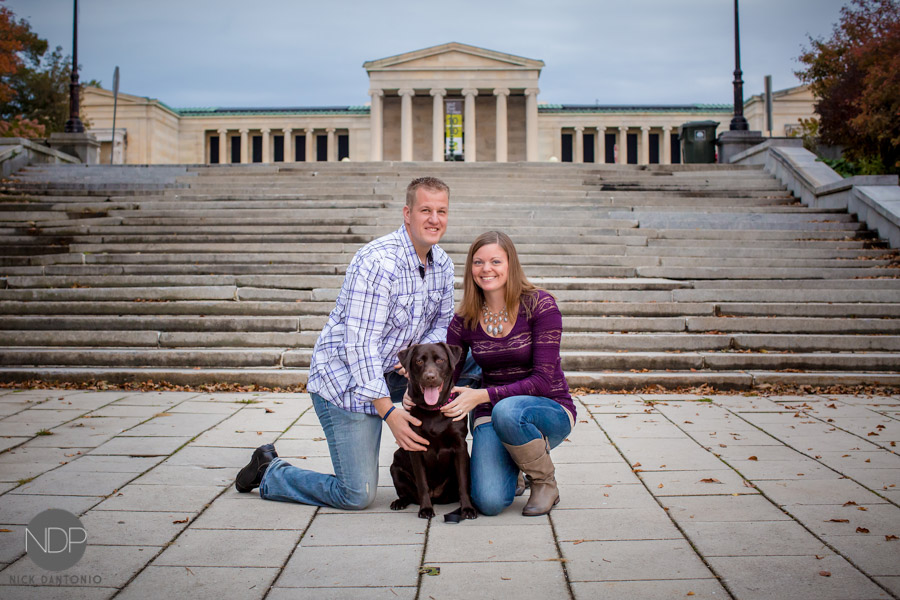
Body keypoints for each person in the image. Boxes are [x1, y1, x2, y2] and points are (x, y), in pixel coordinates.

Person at [234, 176, 455, 509]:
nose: (434, 219)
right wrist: (390, 414)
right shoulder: (378, 262)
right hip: (346, 383)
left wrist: (415, 361)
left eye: (441, 211)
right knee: (356, 494)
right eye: (426, 210)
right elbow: (360, 344)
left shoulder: (443, 265)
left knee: (472, 363)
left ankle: (483, 473)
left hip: (393, 373)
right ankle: (269, 471)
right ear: (407, 213)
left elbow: (441, 325)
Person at [439, 231, 576, 517]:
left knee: (508, 410)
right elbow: (448, 373)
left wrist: (482, 395)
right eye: (478, 262)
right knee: (488, 502)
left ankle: (544, 482)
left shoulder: (540, 305)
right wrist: (417, 394)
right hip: (491, 413)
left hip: (547, 408)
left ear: (510, 264)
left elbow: (543, 381)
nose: (486, 269)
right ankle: (515, 465)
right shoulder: (465, 318)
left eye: (495, 261)